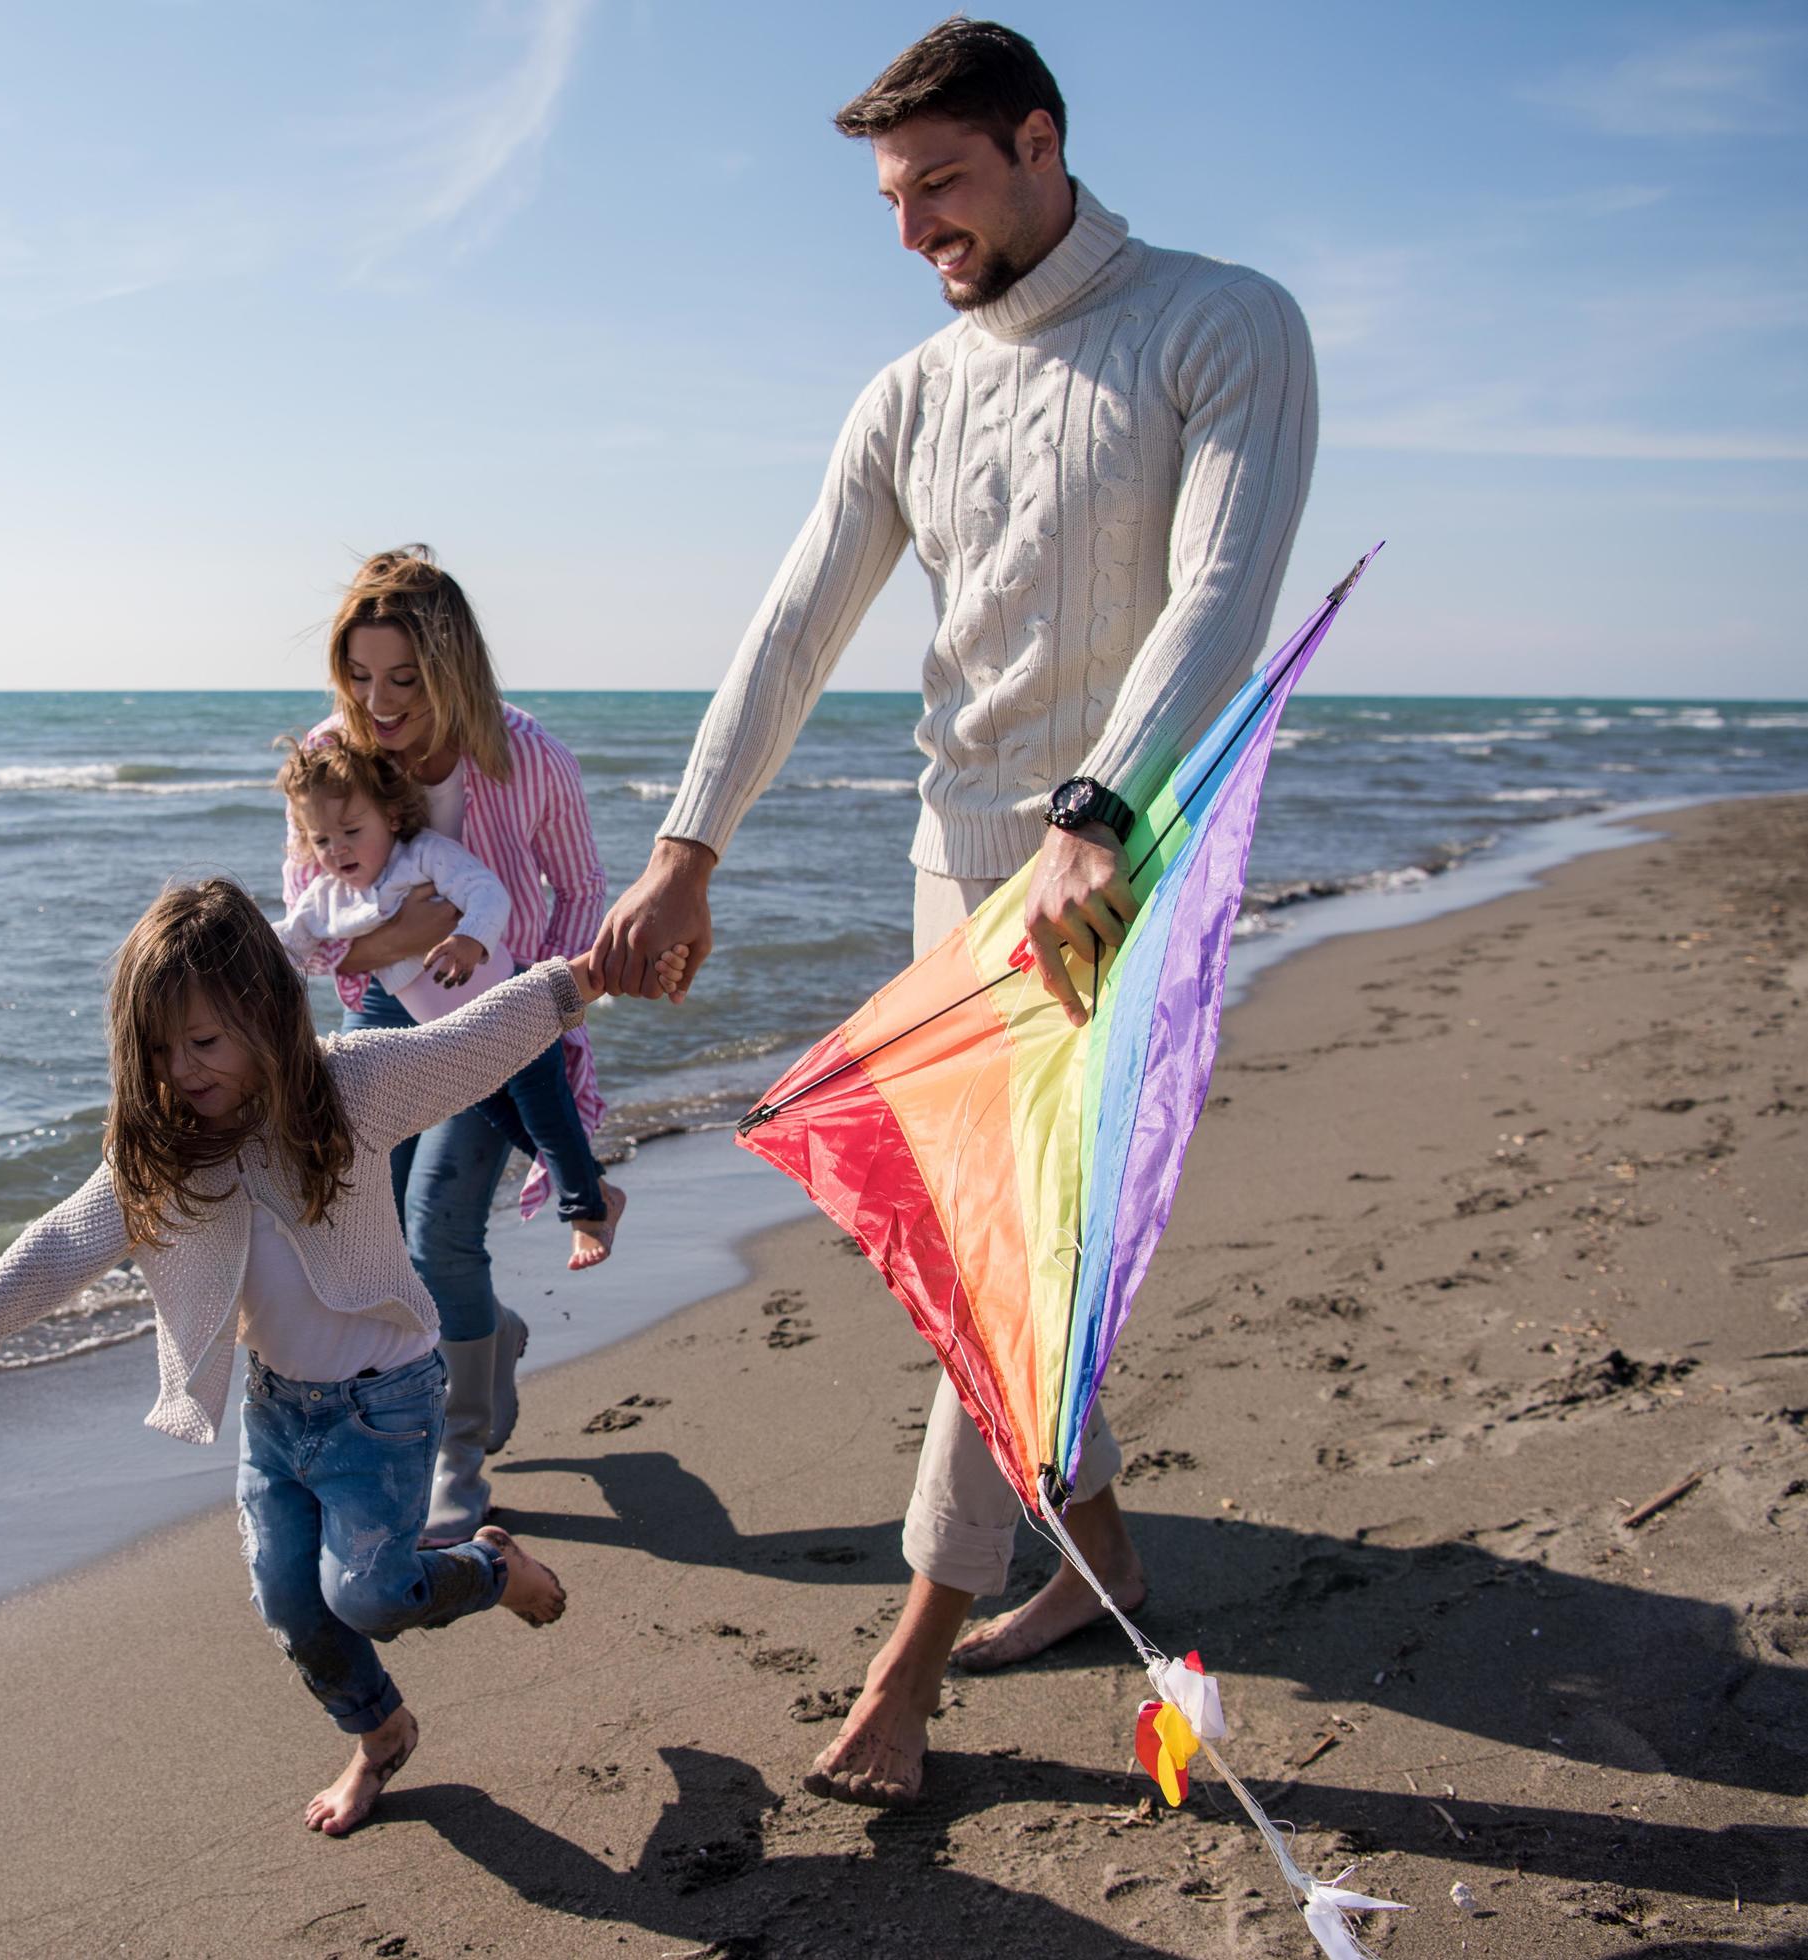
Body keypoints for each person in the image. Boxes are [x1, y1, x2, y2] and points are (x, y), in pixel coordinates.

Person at [588, 18, 1317, 1807]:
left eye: (945, 183)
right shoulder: (906, 394)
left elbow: (1221, 588)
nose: (917, 226)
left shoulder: (1221, 322)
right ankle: (1105, 1558)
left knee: (1002, 1272)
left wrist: (1098, 811)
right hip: (949, 864)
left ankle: (907, 1669)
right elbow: (793, 624)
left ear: (1041, 141)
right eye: (893, 197)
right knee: (970, 1278)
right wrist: (689, 845)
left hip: (1120, 874)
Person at [0, 880, 638, 1836]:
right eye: (159, 1049)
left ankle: (488, 1564)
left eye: (204, 1042)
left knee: (368, 1595)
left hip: (388, 1406)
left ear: (266, 1018)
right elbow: (67, 1234)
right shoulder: (161, 1148)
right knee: (290, 1607)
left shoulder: (349, 1087)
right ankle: (381, 1733)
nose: (183, 1069)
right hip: (277, 1417)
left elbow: (474, 1043)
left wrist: (582, 979)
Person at [284, 546, 614, 1545]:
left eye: (405, 679)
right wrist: (401, 941)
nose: (377, 704)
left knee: (437, 1232)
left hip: (495, 1009)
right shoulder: (332, 755)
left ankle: (458, 1453)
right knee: (363, 1232)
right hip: (382, 1011)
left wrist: (534, 1015)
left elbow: (581, 891)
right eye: (360, 676)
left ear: (452, 669)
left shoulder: (528, 756)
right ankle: (471, 1351)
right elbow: (310, 912)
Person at [275, 736, 614, 1246]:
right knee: (510, 1124)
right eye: (321, 840)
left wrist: (469, 938)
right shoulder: (326, 899)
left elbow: (486, 891)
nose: (337, 849)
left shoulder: (424, 855)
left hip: (510, 1007)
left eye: (351, 830)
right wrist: (233, 954)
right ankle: (599, 1187)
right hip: (456, 1043)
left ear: (390, 817)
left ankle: (587, 1210)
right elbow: (290, 945)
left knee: (547, 1116)